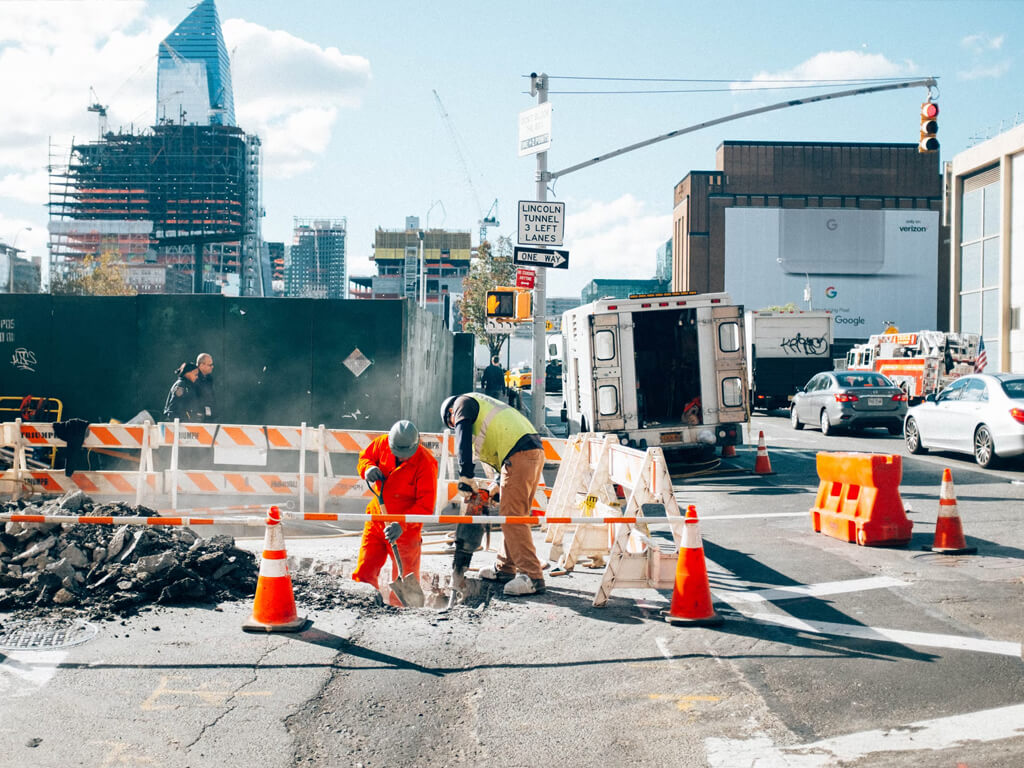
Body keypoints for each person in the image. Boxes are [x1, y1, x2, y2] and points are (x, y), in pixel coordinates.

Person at [440, 392, 546, 596]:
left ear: (451, 413)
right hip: (528, 451)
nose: (454, 427)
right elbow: (503, 442)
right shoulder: (485, 406)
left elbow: (462, 435)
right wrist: (498, 483)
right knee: (511, 513)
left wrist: (466, 476)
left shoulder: (462, 403)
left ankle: (533, 577)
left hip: (520, 453)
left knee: (513, 517)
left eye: (452, 423)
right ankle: (505, 568)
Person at [352, 420, 438, 606]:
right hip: (377, 519)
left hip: (405, 531)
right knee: (365, 570)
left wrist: (402, 524)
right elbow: (364, 458)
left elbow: (425, 506)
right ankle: (362, 605)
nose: (401, 456)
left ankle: (401, 616)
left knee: (404, 575)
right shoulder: (382, 443)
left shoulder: (425, 463)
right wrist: (367, 469)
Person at [194, 352, 216, 423]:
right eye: (210, 365)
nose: (212, 367)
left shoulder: (209, 378)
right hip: (196, 418)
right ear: (201, 365)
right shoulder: (193, 377)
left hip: (207, 417)